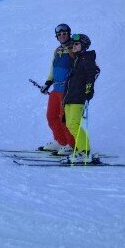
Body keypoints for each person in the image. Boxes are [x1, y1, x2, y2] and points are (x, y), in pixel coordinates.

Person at [38, 23, 75, 155]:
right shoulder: (57, 51)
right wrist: (47, 84)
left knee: (65, 118)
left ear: (69, 34)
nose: (62, 36)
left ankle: (71, 144)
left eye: (64, 33)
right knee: (51, 116)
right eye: (59, 34)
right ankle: (61, 141)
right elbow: (53, 70)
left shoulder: (74, 49)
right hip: (56, 89)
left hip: (67, 90)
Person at [62, 33, 99, 164]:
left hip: (78, 97)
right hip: (70, 97)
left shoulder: (87, 58)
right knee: (70, 125)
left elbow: (93, 72)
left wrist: (89, 88)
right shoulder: (77, 60)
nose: (74, 46)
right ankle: (81, 149)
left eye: (76, 44)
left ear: (84, 45)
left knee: (74, 125)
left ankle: (85, 151)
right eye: (73, 44)